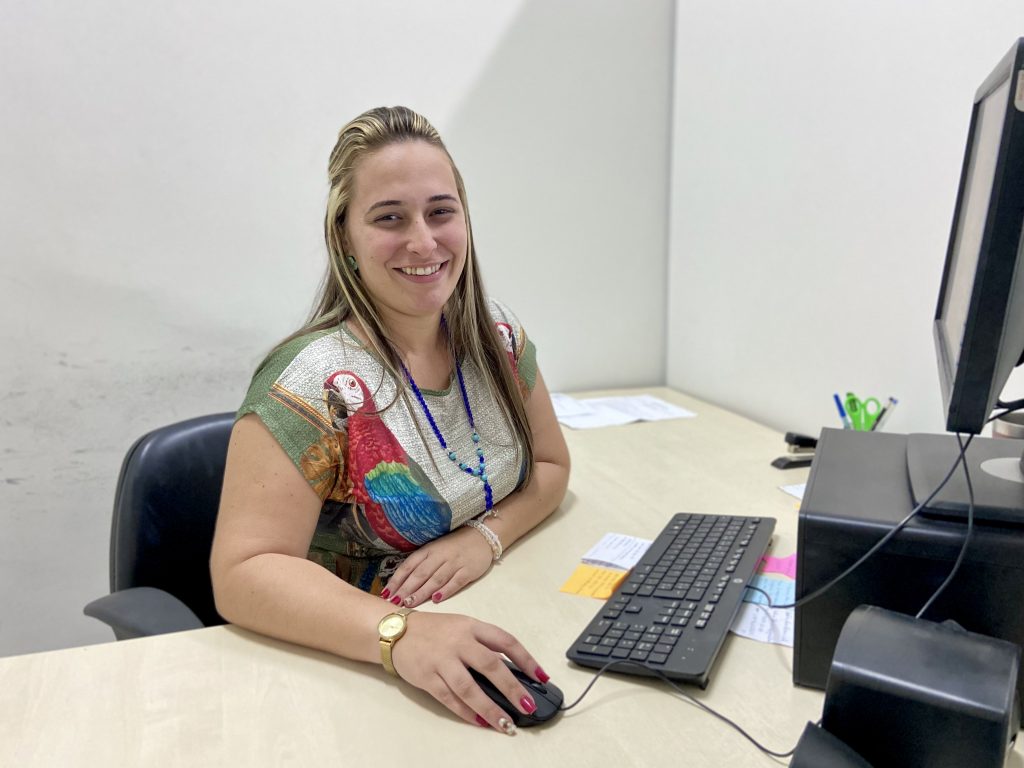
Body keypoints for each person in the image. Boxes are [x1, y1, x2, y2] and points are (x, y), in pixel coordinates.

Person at [210, 106, 571, 736]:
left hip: (479, 620)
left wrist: (483, 539)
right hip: (352, 676)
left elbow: (551, 466)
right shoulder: (311, 382)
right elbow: (243, 573)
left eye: (440, 211)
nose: (424, 242)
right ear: (344, 238)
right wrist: (400, 633)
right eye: (389, 218)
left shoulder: (498, 342)